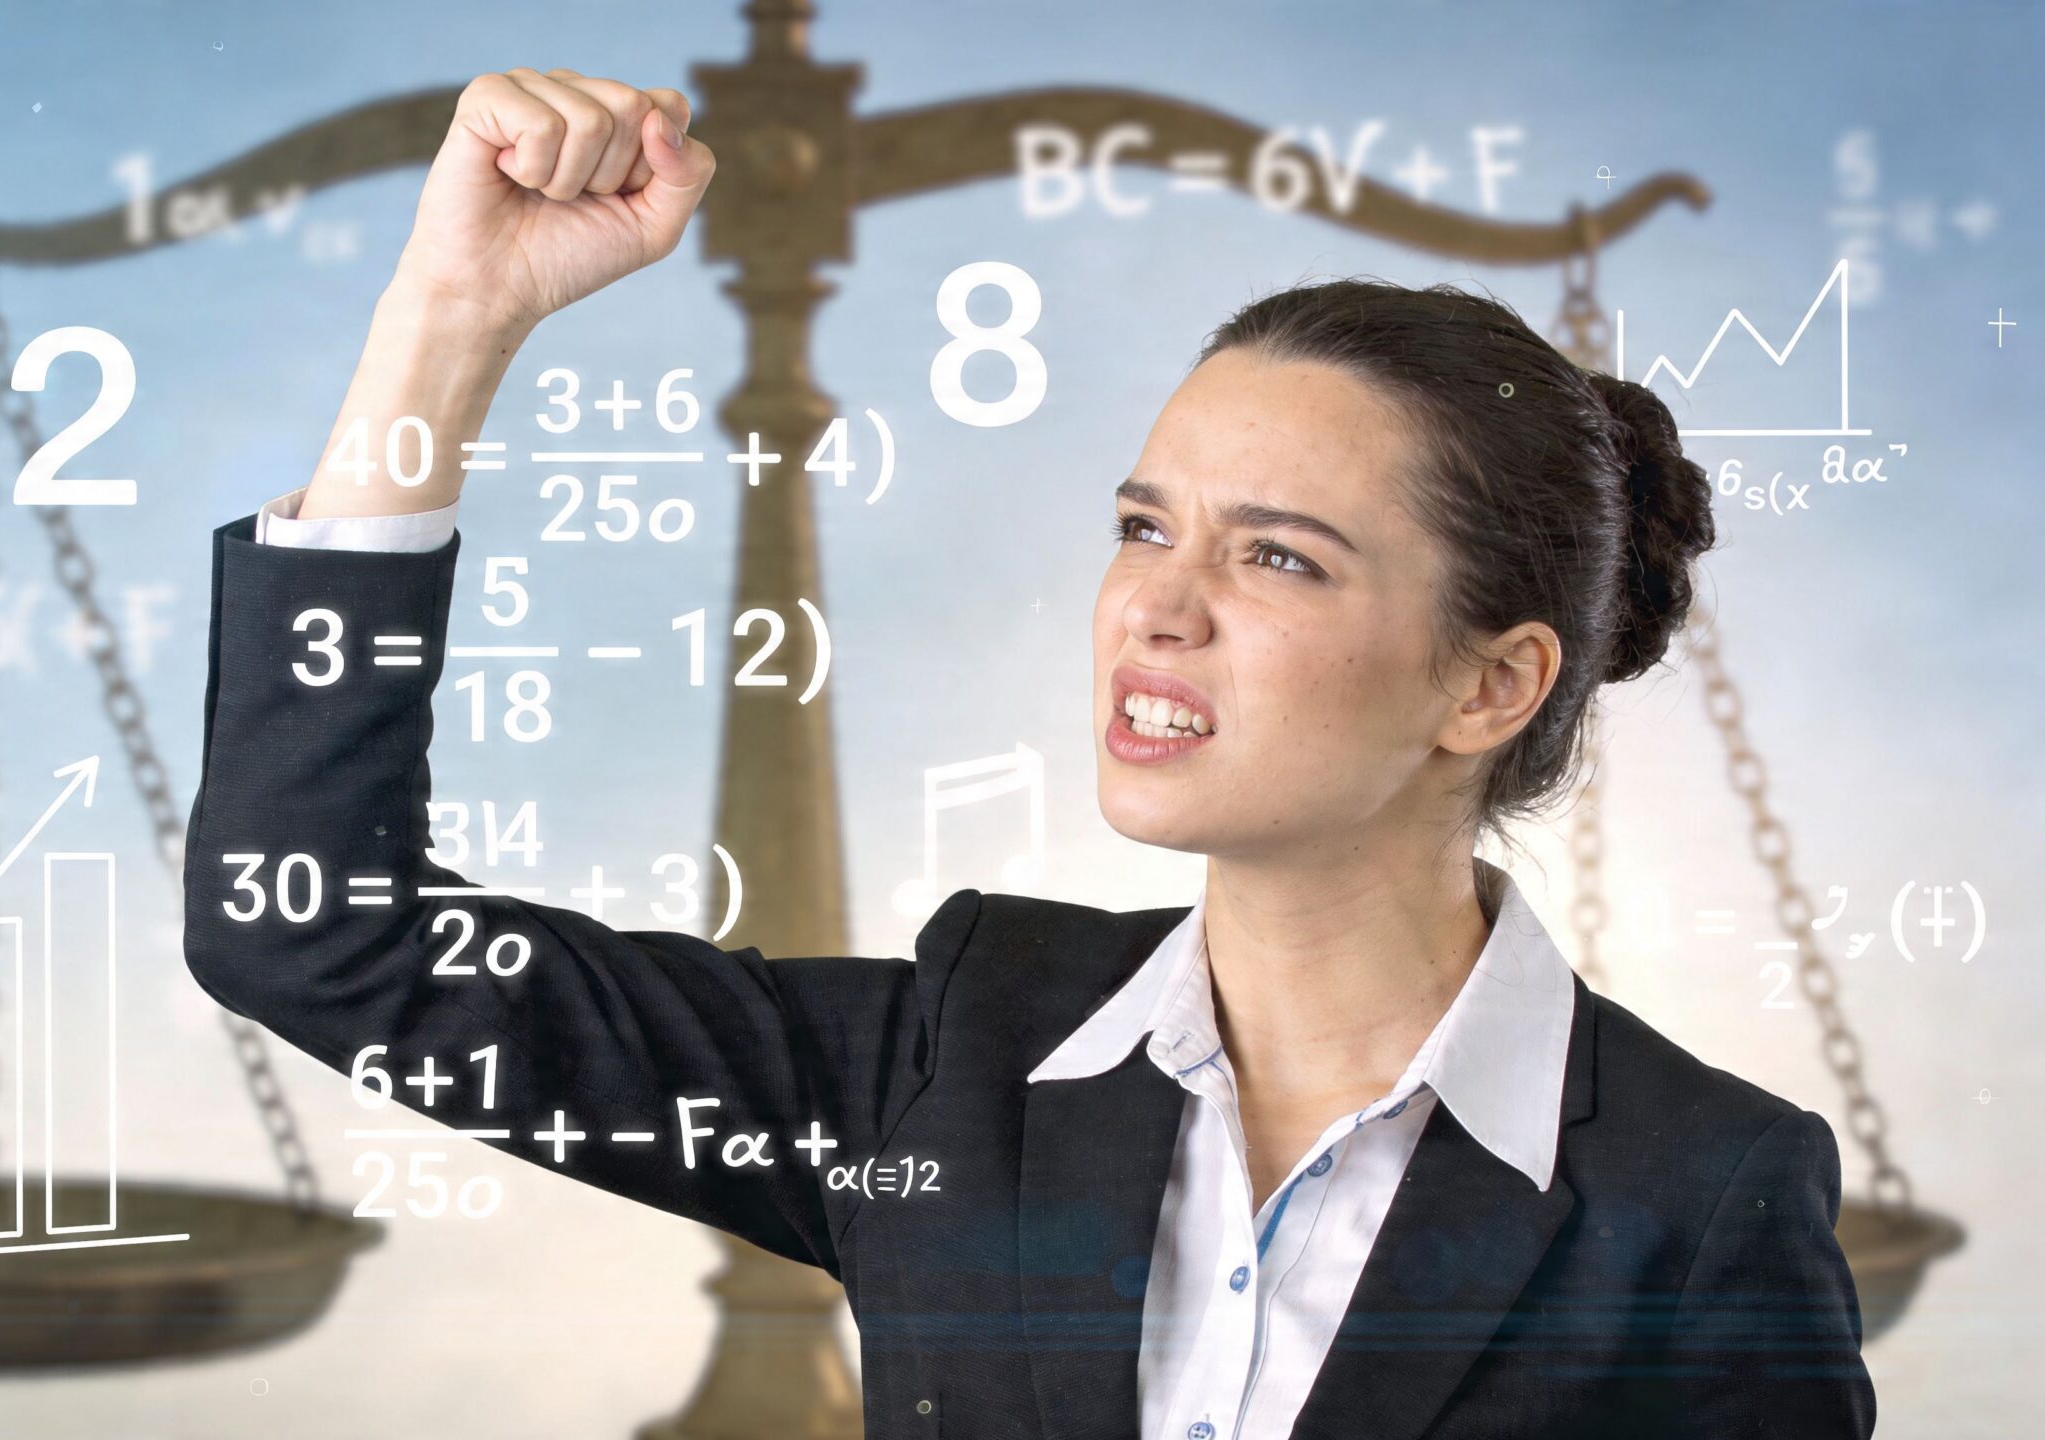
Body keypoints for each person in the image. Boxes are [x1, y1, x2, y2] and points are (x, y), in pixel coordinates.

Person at [181, 66, 1873, 1440]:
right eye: (1145, 527)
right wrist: (452, 317)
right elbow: (314, 933)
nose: (1158, 609)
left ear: (1492, 686)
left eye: (1278, 558)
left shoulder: (1701, 1194)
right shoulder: (954, 1059)